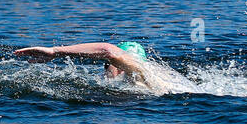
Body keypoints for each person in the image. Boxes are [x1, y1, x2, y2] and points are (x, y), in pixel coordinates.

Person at [13, 41, 177, 94]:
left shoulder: (137, 72)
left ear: (119, 66)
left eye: (106, 66)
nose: (104, 71)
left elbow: (107, 51)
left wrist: (54, 51)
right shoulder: (159, 76)